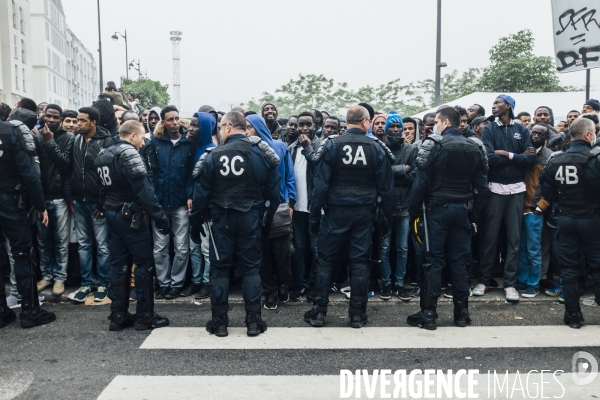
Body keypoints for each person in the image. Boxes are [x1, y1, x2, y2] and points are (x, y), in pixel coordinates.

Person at [190, 110, 280, 337]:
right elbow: (274, 194)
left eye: (221, 127)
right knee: (251, 269)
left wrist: (195, 223)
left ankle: (219, 323)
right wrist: (266, 222)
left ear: (228, 127)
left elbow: (200, 196)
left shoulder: (214, 155)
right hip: (251, 218)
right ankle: (253, 322)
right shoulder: (261, 154)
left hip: (220, 221)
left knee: (220, 270)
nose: (220, 131)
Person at [304, 105, 394, 329]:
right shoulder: (376, 147)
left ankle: (319, 312)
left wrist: (314, 217)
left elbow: (320, 185)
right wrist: (386, 220)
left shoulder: (333, 145)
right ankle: (356, 314)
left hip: (335, 212)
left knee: (325, 261)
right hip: (364, 213)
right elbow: (386, 189)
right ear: (365, 122)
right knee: (359, 262)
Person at [406, 107, 488, 330]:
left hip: (436, 211)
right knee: (460, 262)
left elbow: (420, 182)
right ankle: (461, 314)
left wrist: (413, 211)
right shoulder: (475, 146)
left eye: (436, 123)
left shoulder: (434, 144)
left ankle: (429, 314)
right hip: (463, 210)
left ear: (443, 122)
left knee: (432, 260)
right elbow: (482, 186)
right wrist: (474, 213)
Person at [95, 120, 171, 331]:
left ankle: (118, 316)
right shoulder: (128, 153)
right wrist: (160, 219)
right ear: (133, 136)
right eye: (142, 137)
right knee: (144, 264)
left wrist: (101, 206)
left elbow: (102, 188)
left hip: (112, 213)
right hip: (131, 216)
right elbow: (144, 190)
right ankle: (145, 317)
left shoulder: (103, 154)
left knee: (118, 264)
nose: (143, 142)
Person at [474, 95, 536, 302]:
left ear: (508, 106)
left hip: (517, 190)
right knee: (490, 238)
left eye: (498, 102)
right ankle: (484, 280)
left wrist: (508, 155)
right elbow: (489, 158)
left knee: (514, 239)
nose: (494, 105)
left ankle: (509, 284)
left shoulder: (522, 130)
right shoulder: (489, 129)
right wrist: (518, 157)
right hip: (494, 189)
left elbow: (531, 159)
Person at [540, 117, 600, 329]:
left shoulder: (555, 160)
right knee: (597, 265)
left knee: (569, 268)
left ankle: (573, 314)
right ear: (587, 135)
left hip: (565, 218)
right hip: (592, 218)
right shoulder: (595, 158)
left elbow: (547, 193)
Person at [0, 108, 53, 329]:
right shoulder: (11, 131)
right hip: (10, 199)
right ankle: (30, 311)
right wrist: (41, 206)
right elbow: (30, 173)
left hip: (9, 196)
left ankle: (2, 311)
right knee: (23, 253)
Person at [246, 114, 296, 309]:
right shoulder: (245, 148)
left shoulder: (279, 147)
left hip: (280, 206)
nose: (247, 130)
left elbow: (289, 177)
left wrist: (290, 203)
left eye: (250, 127)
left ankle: (283, 284)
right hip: (255, 208)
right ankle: (268, 291)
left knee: (283, 251)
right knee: (262, 253)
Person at [68, 107, 113, 303]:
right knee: (84, 245)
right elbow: (72, 170)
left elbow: (108, 175)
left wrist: (102, 204)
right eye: (77, 120)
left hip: (97, 202)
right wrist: (71, 197)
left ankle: (103, 283)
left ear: (93, 122)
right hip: (79, 201)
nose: (78, 124)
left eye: (82, 121)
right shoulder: (76, 140)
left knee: (102, 245)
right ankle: (87, 283)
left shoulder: (106, 141)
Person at [151, 106, 195, 299]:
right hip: (160, 203)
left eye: (177, 118)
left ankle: (176, 283)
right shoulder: (156, 143)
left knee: (181, 246)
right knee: (160, 247)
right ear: (163, 122)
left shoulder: (189, 142)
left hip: (180, 203)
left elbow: (193, 174)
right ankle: (163, 283)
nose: (175, 122)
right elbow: (151, 172)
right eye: (170, 119)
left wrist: (190, 195)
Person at [34, 104, 74, 297]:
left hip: (58, 198)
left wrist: (50, 142)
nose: (51, 120)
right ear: (43, 116)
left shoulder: (68, 138)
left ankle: (59, 278)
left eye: (55, 117)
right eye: (48, 116)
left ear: (60, 118)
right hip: (41, 197)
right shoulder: (36, 136)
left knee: (60, 241)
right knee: (43, 241)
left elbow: (65, 164)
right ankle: (47, 276)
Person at [379, 111, 418, 301]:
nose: (395, 130)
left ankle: (399, 283)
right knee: (384, 248)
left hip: (405, 206)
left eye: (398, 127)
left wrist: (393, 174)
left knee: (402, 248)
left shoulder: (411, 150)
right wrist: (403, 169)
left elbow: (415, 175)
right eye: (392, 127)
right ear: (387, 130)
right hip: (385, 207)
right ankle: (386, 283)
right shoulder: (380, 148)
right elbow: (379, 176)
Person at [181, 112, 216, 299]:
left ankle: (206, 282)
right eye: (191, 125)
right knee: (193, 246)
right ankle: (196, 280)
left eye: (196, 126)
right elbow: (189, 176)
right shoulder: (192, 148)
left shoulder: (211, 150)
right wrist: (189, 195)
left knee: (205, 247)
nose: (191, 128)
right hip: (191, 205)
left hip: (205, 208)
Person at [288, 111, 322, 300]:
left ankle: (315, 284)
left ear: (315, 126)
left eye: (308, 124)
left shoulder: (322, 146)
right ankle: (300, 284)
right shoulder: (292, 148)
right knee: (299, 248)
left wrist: (308, 147)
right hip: (297, 208)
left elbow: (321, 172)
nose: (304, 128)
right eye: (301, 124)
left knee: (316, 249)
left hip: (315, 208)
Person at [517, 123, 552, 298]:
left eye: (540, 133)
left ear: (546, 137)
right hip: (519, 207)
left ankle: (533, 283)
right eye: (534, 132)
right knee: (521, 248)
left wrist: (541, 206)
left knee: (533, 249)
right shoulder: (524, 152)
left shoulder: (549, 157)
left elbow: (551, 186)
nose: (536, 135)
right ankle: (522, 280)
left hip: (534, 209)